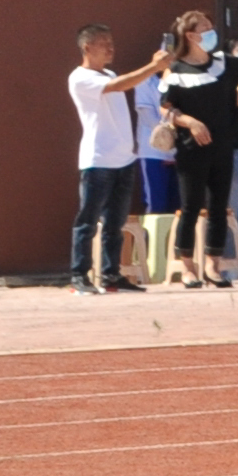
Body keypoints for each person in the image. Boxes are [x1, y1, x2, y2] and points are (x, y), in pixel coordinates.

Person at [158, 5, 238, 286]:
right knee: (191, 206)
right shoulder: (174, 69)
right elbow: (165, 108)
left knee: (220, 207)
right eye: (205, 29)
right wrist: (190, 122)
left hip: (223, 146)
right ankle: (187, 267)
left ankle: (213, 264)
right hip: (190, 148)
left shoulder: (223, 62)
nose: (211, 33)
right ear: (190, 35)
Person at [65, 23, 168, 295]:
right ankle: (79, 275)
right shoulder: (80, 78)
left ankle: (111, 275)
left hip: (124, 159)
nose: (111, 47)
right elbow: (118, 85)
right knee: (88, 220)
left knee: (115, 223)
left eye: (112, 41)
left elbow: (120, 82)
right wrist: (152, 67)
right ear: (87, 47)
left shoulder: (109, 72)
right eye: (103, 42)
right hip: (97, 160)